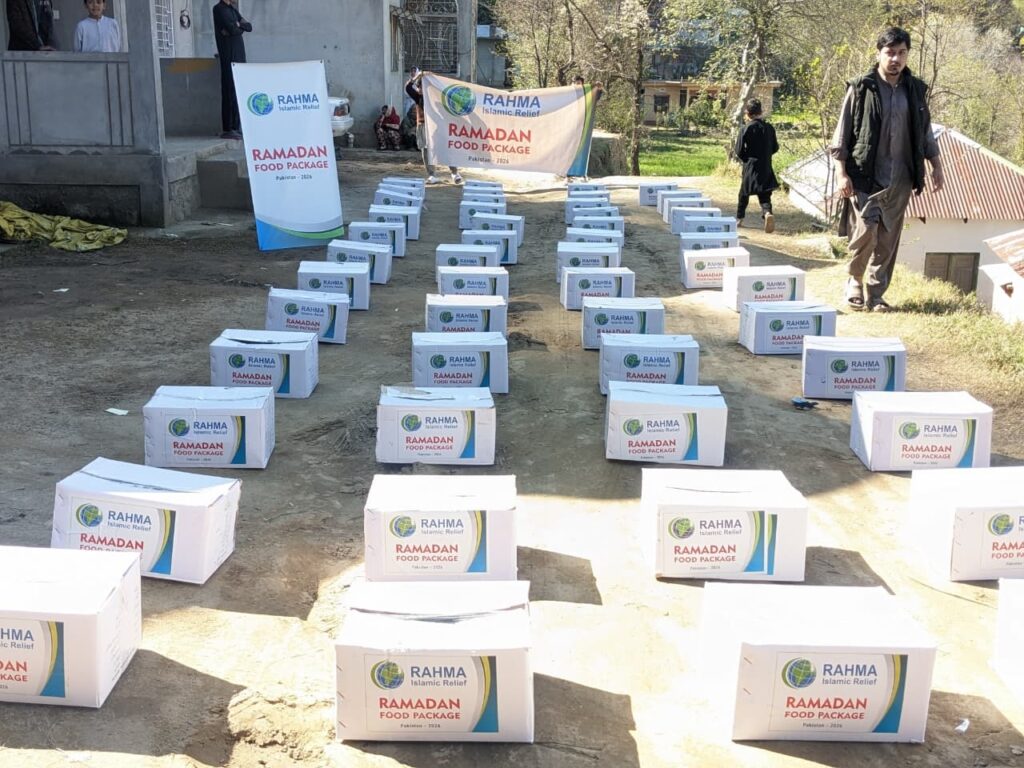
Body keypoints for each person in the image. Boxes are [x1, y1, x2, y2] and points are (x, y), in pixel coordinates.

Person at [831, 26, 944, 313]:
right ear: (879, 53)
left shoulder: (915, 90)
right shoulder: (861, 87)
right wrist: (841, 173)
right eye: (890, 52)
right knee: (867, 231)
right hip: (865, 174)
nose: (896, 59)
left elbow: (925, 132)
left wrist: (936, 166)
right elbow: (842, 133)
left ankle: (876, 294)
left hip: (901, 177)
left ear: (907, 55)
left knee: (888, 238)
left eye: (901, 53)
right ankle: (854, 281)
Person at [405, 66, 462, 184]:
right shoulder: (418, 97)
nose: (421, 89)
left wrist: (432, 76)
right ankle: (432, 175)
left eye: (424, 87)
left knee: (445, 148)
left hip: (437, 125)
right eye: (420, 87)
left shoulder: (437, 97)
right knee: (426, 150)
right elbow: (408, 87)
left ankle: (454, 173)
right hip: (423, 125)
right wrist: (417, 77)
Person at [734, 98, 779, 233]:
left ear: (747, 113)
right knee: (765, 195)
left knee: (744, 193)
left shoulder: (746, 128)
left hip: (751, 166)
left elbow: (738, 150)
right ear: (761, 112)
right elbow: (775, 147)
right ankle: (767, 213)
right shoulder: (769, 128)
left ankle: (739, 218)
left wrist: (746, 159)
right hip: (765, 165)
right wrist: (766, 155)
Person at [212, 0, 252, 141]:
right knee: (229, 90)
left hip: (239, 56)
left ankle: (236, 126)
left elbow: (249, 27)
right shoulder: (219, 9)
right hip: (229, 55)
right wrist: (237, 27)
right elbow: (232, 30)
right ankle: (229, 128)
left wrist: (238, 25)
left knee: (238, 91)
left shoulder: (233, 9)